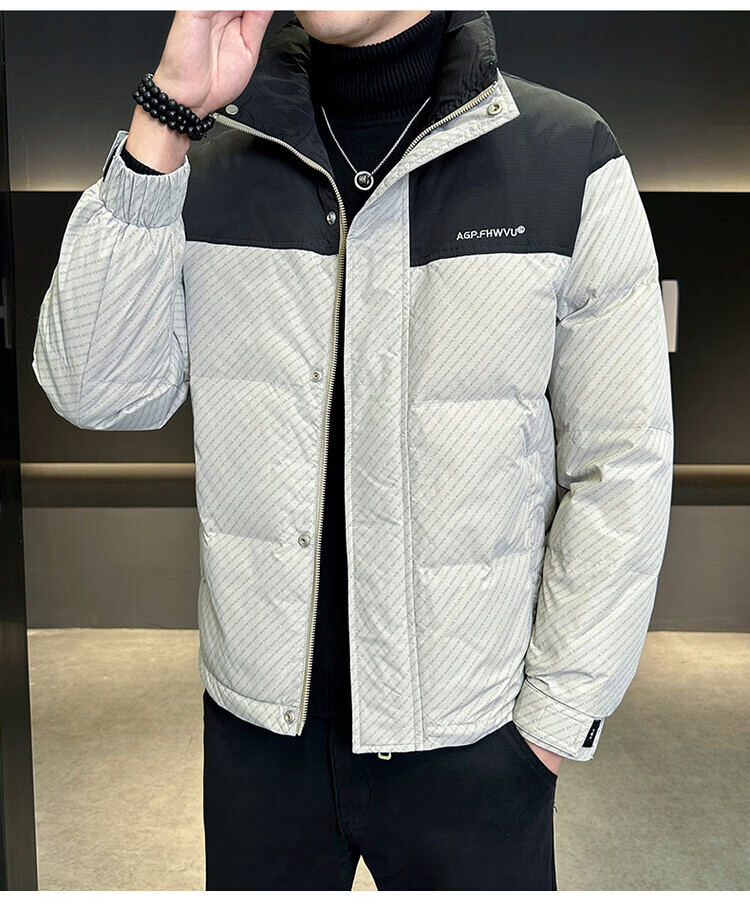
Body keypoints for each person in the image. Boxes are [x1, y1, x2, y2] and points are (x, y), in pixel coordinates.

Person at [32, 9, 674, 891]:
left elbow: (623, 462)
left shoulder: (566, 155)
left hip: (475, 740)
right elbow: (93, 388)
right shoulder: (209, 158)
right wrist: (166, 116)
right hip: (261, 743)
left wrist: (554, 723)